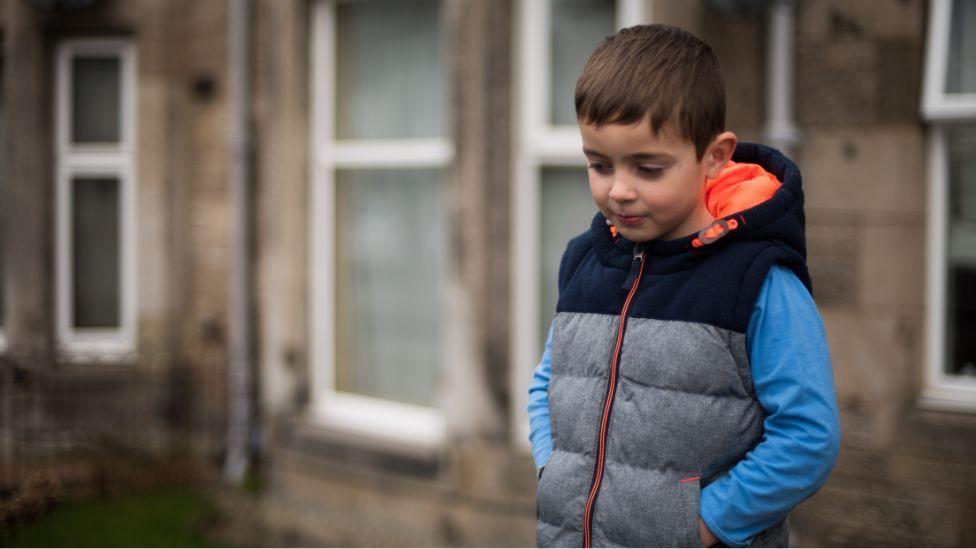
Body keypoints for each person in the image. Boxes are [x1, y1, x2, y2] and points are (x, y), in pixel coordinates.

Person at [526, 24, 841, 548]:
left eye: (648, 168)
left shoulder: (759, 279)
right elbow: (546, 386)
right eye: (598, 165)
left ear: (715, 156)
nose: (619, 190)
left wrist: (705, 523)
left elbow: (809, 436)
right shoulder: (584, 261)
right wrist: (553, 472)